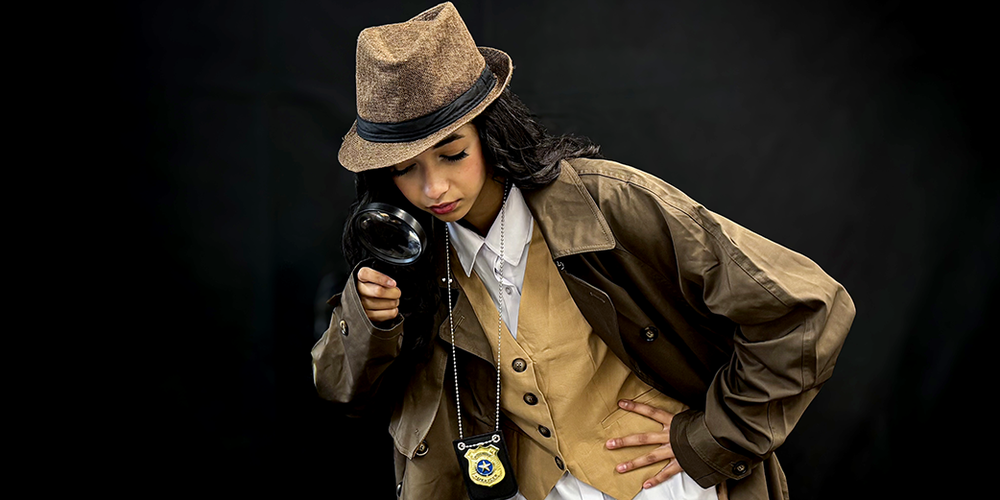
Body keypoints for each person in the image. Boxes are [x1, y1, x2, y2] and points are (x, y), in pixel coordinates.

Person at [312, 3, 855, 500]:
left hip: (667, 490)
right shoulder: (405, 256)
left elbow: (809, 308)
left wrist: (713, 437)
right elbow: (340, 391)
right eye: (406, 169)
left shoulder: (610, 202)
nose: (433, 190)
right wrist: (371, 320)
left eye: (452, 154)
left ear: (489, 135)